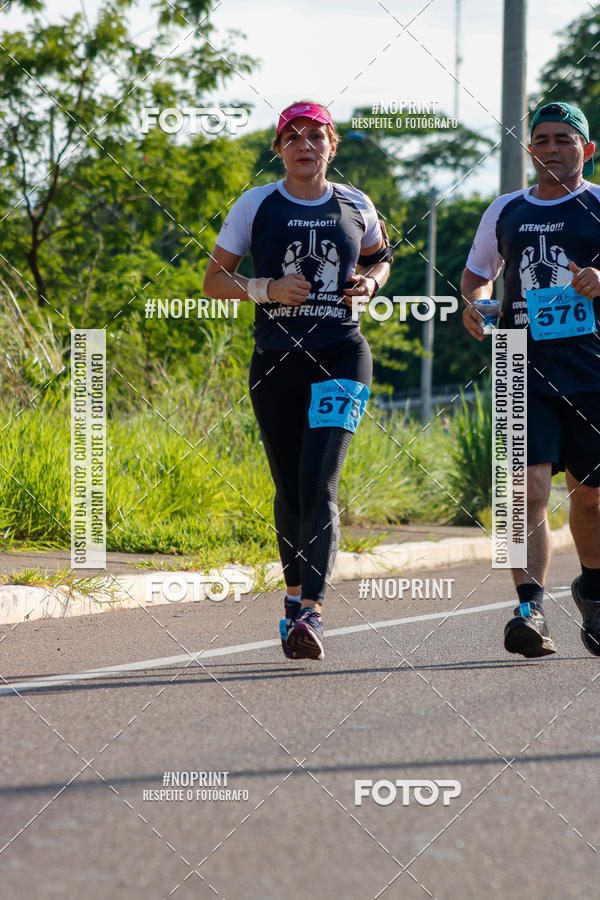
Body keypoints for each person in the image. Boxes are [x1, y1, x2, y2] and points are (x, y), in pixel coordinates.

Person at [203, 100, 392, 660]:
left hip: (342, 353)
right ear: (279, 149)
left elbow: (384, 258)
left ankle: (312, 611)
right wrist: (266, 289)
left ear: (332, 145)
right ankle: (291, 604)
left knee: (319, 479)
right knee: (288, 486)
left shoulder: (357, 203)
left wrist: (372, 284)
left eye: (316, 136)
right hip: (276, 359)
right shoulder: (256, 204)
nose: (305, 146)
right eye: (293, 137)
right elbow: (215, 280)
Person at [462, 101, 600, 659]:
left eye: (564, 140)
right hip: (521, 362)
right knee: (524, 491)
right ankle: (529, 608)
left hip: (592, 367)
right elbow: (476, 278)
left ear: (586, 150)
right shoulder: (506, 209)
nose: (550, 149)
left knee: (590, 500)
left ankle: (593, 590)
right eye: (541, 140)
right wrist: (473, 305)